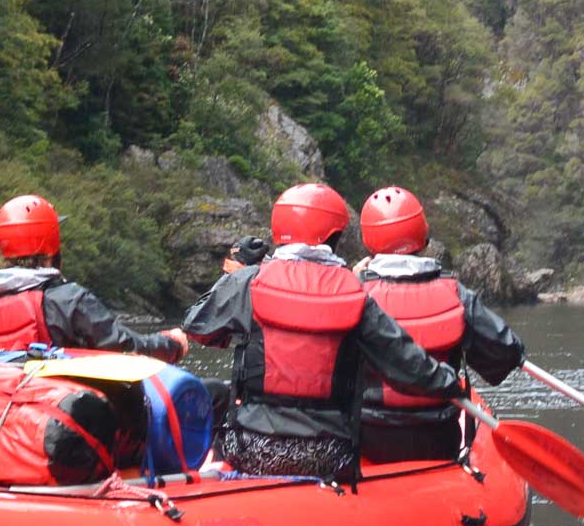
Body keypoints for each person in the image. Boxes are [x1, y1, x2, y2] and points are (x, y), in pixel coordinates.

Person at [182, 181, 462, 481]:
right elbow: (408, 365)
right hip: (329, 455)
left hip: (252, 450)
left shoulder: (250, 281)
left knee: (217, 397)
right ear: (335, 237)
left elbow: (198, 327)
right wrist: (451, 384)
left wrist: (233, 272)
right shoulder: (354, 293)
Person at [356, 186, 526, 463]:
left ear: (368, 242)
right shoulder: (456, 294)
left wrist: (351, 279)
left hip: (370, 439)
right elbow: (505, 354)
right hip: (437, 439)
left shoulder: (353, 295)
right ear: (423, 236)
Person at [0, 193, 188, 360]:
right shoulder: (69, 300)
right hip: (66, 409)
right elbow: (124, 345)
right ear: (51, 245)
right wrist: (170, 343)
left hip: (7, 413)